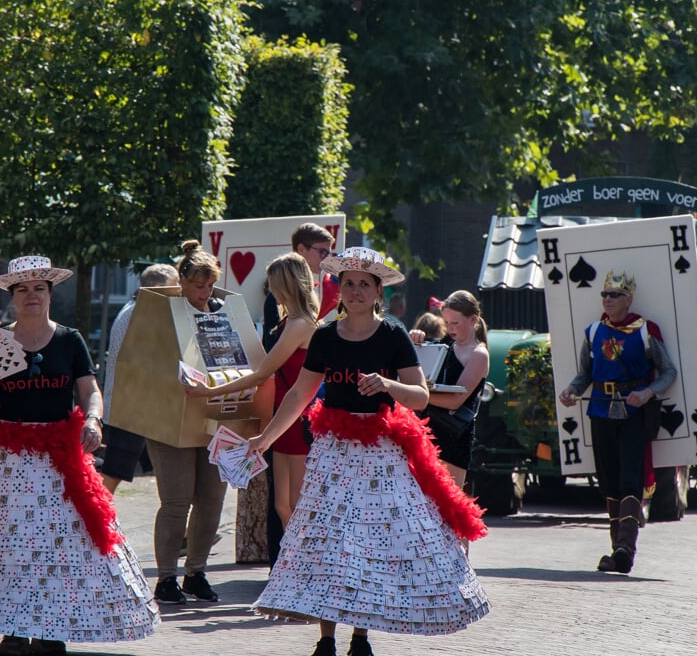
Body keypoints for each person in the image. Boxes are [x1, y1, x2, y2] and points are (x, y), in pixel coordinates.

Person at [248, 247, 489, 656]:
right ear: (338, 291)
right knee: (329, 542)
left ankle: (360, 638)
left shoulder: (392, 334)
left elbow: (419, 396)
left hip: (379, 452)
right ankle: (326, 639)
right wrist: (266, 438)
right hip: (332, 451)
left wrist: (388, 385)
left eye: (364, 284)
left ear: (378, 291)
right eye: (348, 284)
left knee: (368, 544)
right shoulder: (325, 335)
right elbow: (299, 395)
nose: (355, 291)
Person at [0, 256, 158, 655]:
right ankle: (12, 626)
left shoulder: (69, 339)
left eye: (38, 287)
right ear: (12, 296)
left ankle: (49, 626)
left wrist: (93, 420)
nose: (31, 295)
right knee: (12, 543)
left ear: (49, 293)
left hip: (61, 455)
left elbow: (89, 389)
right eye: (22, 289)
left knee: (61, 543)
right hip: (11, 457)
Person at [184, 252, 320, 540]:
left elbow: (261, 373)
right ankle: (292, 568)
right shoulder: (291, 321)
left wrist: (209, 390)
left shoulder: (300, 324)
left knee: (296, 505)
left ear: (284, 285)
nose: (269, 291)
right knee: (283, 505)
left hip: (295, 418)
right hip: (281, 416)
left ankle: (301, 569)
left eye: (272, 284)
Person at [558, 271, 679, 572]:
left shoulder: (645, 331)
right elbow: (585, 373)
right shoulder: (592, 331)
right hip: (600, 411)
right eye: (604, 294)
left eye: (614, 295)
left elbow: (669, 373)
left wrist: (648, 392)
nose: (607, 299)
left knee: (630, 480)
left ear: (628, 299)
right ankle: (616, 551)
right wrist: (572, 390)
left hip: (633, 413)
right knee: (609, 480)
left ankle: (626, 547)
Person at [147, 241, 231, 605]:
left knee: (212, 499)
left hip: (212, 415)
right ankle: (166, 578)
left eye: (210, 285)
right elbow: (143, 363)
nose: (205, 293)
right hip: (168, 417)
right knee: (177, 501)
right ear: (181, 281)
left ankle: (196, 573)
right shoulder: (160, 313)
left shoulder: (222, 312)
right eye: (198, 285)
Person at [98, 263, 180, 494]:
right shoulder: (141, 314)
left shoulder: (134, 308)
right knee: (114, 471)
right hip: (132, 408)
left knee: (120, 470)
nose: (178, 294)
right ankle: (95, 519)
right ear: (157, 290)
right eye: (173, 289)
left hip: (132, 406)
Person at [411, 290, 489, 490]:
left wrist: (419, 397)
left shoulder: (479, 354)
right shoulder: (445, 345)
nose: (449, 328)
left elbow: (456, 400)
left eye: (455, 323)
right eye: (446, 322)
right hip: (429, 427)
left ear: (473, 320)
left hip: (454, 436)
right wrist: (415, 340)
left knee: (448, 504)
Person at [263, 223, 340, 351]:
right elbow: (271, 347)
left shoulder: (321, 286)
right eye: (322, 252)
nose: (326, 259)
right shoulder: (278, 294)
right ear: (301, 249)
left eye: (328, 254)